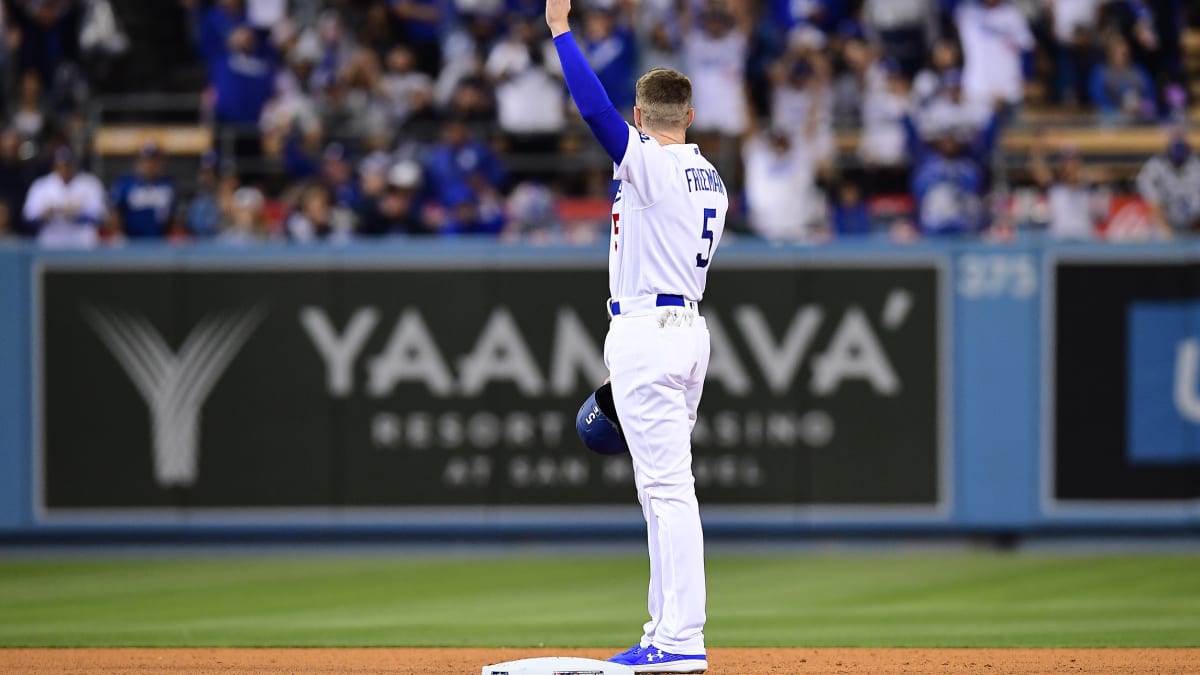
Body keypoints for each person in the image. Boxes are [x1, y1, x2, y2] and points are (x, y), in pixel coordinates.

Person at [548, 0, 727, 672]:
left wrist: (561, 32)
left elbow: (594, 113)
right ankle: (662, 628)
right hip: (687, 330)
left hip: (649, 329)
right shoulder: (711, 178)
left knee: (669, 487)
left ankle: (681, 638)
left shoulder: (649, 162)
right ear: (689, 116)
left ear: (641, 116)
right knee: (659, 487)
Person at [23, 146, 107, 248]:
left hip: (83, 245)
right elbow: (28, 218)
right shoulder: (41, 185)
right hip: (50, 244)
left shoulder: (90, 183)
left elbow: (101, 216)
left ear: (74, 165)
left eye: (68, 165)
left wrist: (78, 215)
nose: (65, 169)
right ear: (54, 166)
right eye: (61, 165)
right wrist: (44, 216)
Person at [109, 141, 177, 240]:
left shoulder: (168, 184)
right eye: (146, 160)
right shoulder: (126, 183)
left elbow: (172, 216)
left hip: (159, 242)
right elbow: (115, 210)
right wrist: (118, 234)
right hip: (130, 242)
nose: (150, 165)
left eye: (154, 161)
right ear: (139, 162)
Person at [1137, 134, 1200, 237]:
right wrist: (1167, 233)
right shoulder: (1154, 168)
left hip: (1195, 227)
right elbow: (1154, 205)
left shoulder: (1196, 165)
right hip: (1165, 227)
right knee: (1161, 239)